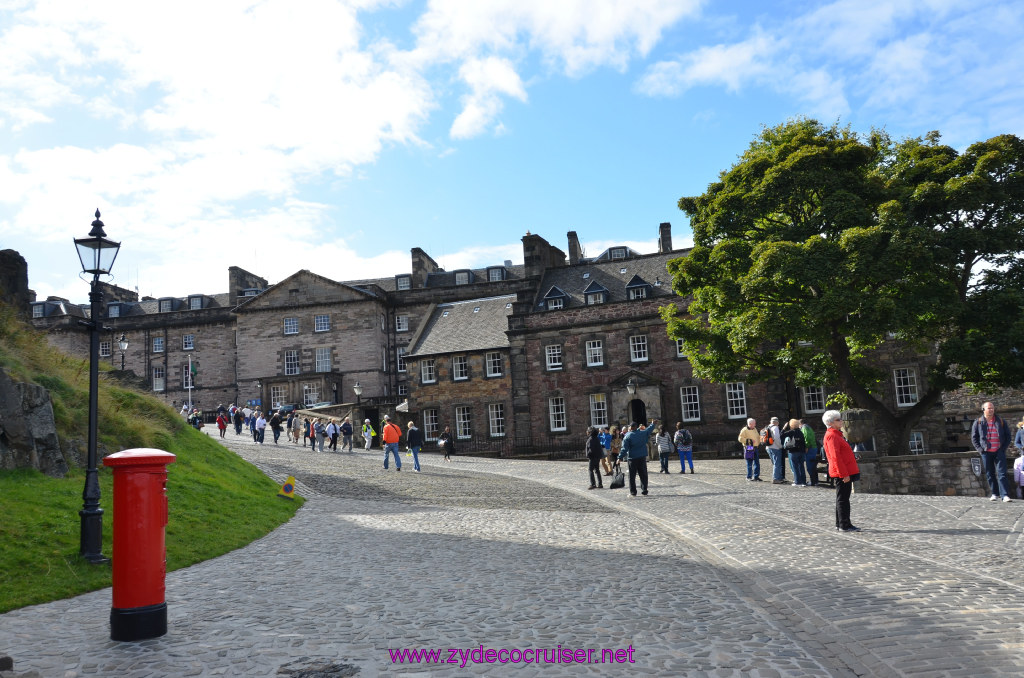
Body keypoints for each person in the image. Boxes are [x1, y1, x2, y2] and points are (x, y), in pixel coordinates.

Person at [822, 409, 861, 532]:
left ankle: (840, 523)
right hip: (842, 472)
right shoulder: (832, 436)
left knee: (843, 498)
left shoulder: (836, 435)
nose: (841, 421)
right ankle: (844, 524)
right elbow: (835, 457)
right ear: (831, 423)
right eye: (838, 420)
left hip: (844, 470)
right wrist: (844, 474)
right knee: (843, 499)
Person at [970, 401, 1013, 502]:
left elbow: (1008, 436)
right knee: (990, 473)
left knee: (1002, 473)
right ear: (984, 409)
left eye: (992, 408)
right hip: (986, 452)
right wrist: (981, 450)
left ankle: (1005, 495)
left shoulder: (1001, 421)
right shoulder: (978, 422)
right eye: (989, 408)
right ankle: (995, 493)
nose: (991, 410)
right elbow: (974, 438)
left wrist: (1003, 448)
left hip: (999, 451)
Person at [618, 419, 656, 497]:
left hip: (632, 458)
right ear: (636, 427)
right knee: (643, 474)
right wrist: (652, 424)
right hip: (642, 457)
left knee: (632, 476)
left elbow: (624, 449)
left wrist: (619, 457)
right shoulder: (643, 433)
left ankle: (633, 492)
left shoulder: (627, 436)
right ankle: (644, 490)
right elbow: (649, 430)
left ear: (630, 428)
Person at [780, 418, 807, 487]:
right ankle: (803, 481)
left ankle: (797, 481)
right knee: (801, 466)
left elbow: (781, 435)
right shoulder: (800, 432)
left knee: (795, 467)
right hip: (801, 451)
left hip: (793, 451)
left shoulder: (791, 432)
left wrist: (784, 428)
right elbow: (803, 442)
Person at [765, 416, 785, 484]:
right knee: (777, 463)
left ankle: (778, 477)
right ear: (777, 422)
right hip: (775, 447)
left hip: (768, 447)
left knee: (775, 463)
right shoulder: (775, 428)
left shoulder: (767, 427)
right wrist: (780, 446)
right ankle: (776, 478)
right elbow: (776, 438)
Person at [801, 420, 819, 486]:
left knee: (810, 466)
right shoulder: (808, 427)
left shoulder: (804, 428)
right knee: (812, 465)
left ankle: (813, 482)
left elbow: (807, 438)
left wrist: (806, 447)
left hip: (810, 448)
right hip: (813, 447)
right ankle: (815, 481)